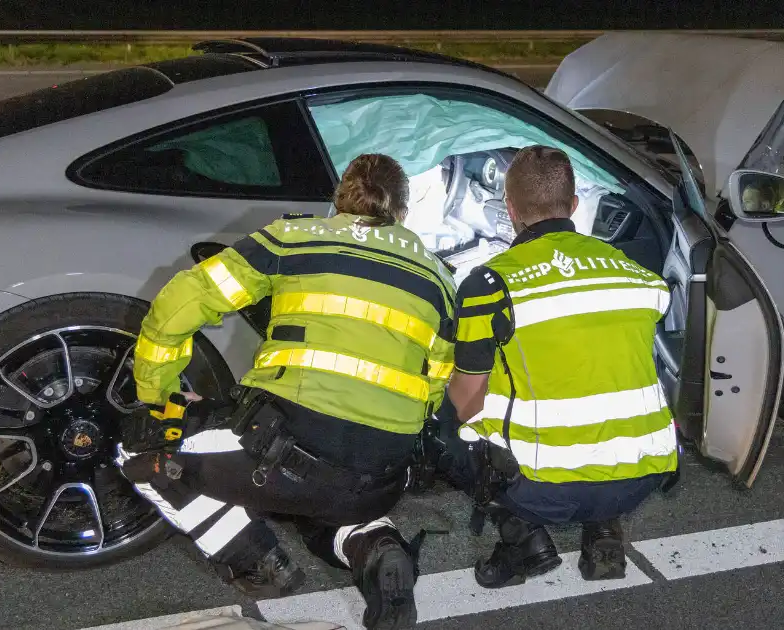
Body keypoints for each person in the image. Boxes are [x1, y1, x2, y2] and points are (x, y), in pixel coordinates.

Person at [115, 153, 456, 630]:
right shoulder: (440, 280)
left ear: (339, 200)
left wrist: (161, 395)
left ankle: (257, 561)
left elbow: (179, 304)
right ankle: (375, 547)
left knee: (138, 445)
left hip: (282, 451)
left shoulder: (294, 237)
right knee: (323, 491)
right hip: (382, 477)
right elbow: (436, 386)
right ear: (402, 212)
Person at [438, 145, 679, 588]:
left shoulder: (488, 284)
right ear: (573, 205)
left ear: (510, 209)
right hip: (643, 477)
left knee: (445, 420)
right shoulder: (634, 272)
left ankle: (523, 540)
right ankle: (604, 533)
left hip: (545, 490)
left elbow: (468, 399)